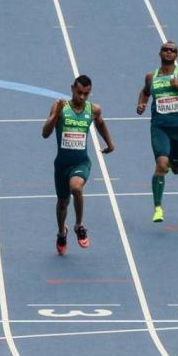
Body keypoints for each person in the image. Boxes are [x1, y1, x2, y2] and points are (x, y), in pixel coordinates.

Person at [42, 75, 115, 255]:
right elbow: (45, 133)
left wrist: (109, 143)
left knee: (76, 187)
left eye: (86, 94)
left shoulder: (93, 109)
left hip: (81, 162)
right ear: (72, 88)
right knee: (62, 203)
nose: (82, 97)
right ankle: (61, 232)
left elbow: (101, 124)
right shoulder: (60, 106)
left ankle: (79, 225)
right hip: (62, 165)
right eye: (79, 92)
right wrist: (56, 114)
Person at [136, 41, 178, 222]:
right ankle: (158, 208)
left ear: (176, 55)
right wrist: (141, 103)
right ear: (159, 53)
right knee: (161, 164)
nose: (168, 52)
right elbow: (144, 92)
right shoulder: (151, 77)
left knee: (175, 169)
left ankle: (170, 164)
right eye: (165, 50)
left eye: (172, 51)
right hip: (159, 127)